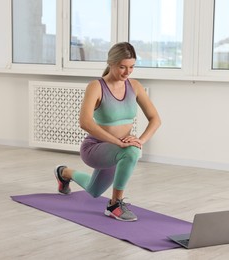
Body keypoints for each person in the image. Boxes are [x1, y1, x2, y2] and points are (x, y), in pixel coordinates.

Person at [54, 42, 161, 222]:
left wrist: (140, 140)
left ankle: (63, 173)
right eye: (122, 67)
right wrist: (118, 142)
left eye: (131, 67)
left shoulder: (134, 86)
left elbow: (155, 119)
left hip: (120, 149)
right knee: (132, 151)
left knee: (94, 191)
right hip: (95, 148)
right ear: (110, 63)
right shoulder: (96, 86)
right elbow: (85, 122)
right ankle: (114, 204)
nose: (127, 72)